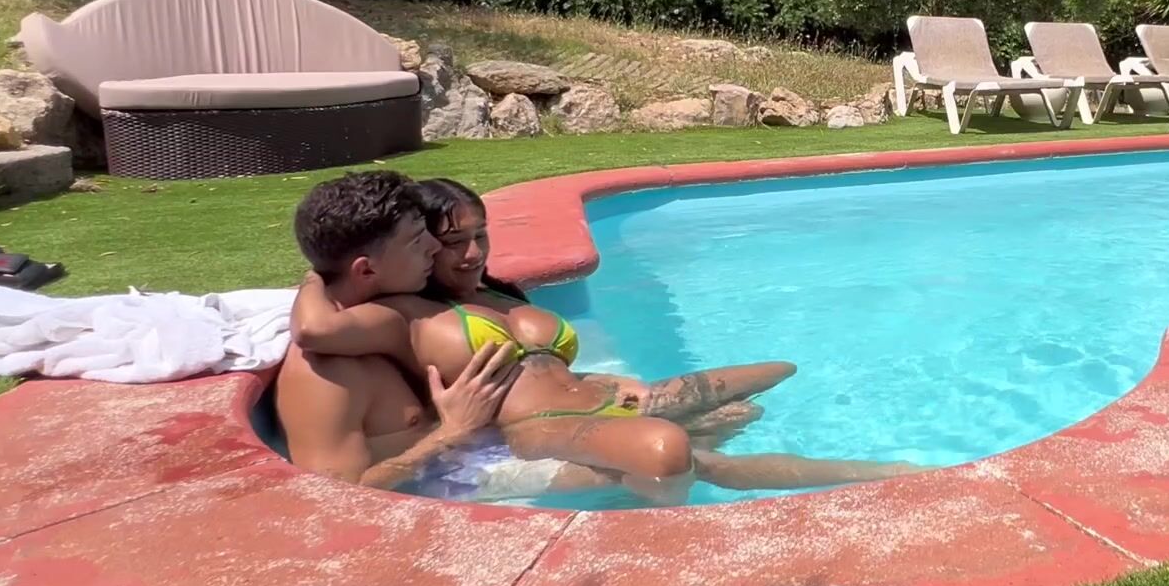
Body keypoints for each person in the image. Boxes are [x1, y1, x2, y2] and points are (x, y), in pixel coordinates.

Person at [286, 172, 920, 502]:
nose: (466, 252)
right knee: (681, 451)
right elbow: (318, 332)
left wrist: (611, 383)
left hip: (597, 398)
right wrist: (321, 270)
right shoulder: (401, 317)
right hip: (541, 429)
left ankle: (876, 472)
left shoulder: (491, 293)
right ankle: (891, 475)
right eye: (442, 242)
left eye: (480, 235)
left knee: (766, 380)